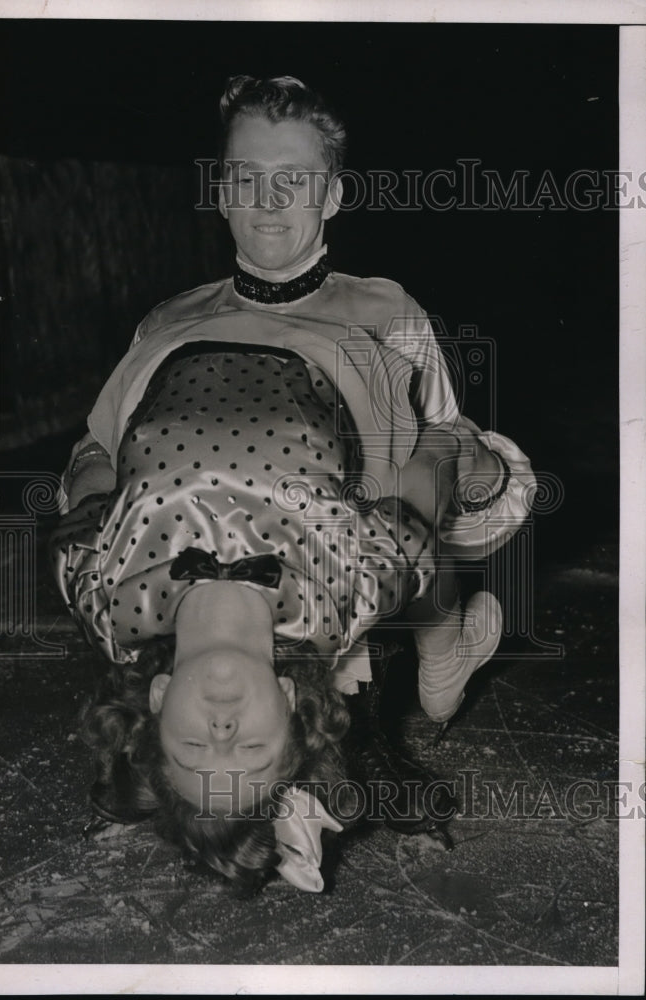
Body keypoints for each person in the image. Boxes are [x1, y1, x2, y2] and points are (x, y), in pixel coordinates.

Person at [51, 75, 534, 891]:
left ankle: (441, 645)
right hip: (319, 564)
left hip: (380, 486)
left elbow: (435, 451)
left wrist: (458, 471)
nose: (267, 201)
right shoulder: (170, 318)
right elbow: (101, 441)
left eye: (294, 181)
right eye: (245, 178)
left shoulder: (384, 311)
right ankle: (327, 753)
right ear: (221, 188)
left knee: (436, 486)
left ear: (333, 195)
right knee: (363, 576)